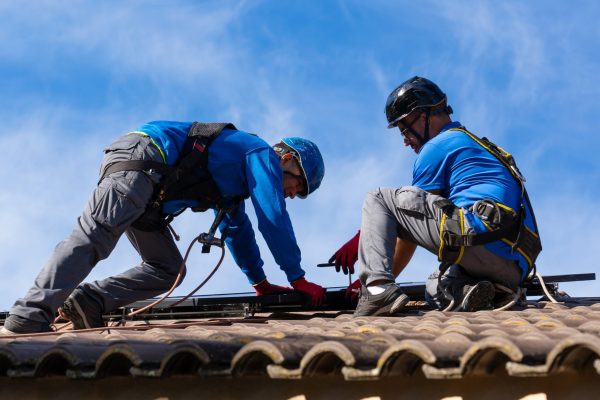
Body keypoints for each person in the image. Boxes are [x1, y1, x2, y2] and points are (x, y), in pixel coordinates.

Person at [2, 121, 326, 334]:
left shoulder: (233, 187)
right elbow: (272, 215)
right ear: (286, 159)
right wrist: (297, 277)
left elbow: (239, 230)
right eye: (298, 186)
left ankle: (90, 302)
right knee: (96, 235)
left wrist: (261, 283)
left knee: (168, 269)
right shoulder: (261, 154)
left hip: (151, 197)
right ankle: (28, 315)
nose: (293, 194)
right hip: (143, 162)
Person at [330, 76, 541, 316]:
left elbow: (407, 230)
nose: (405, 141)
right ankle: (485, 294)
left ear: (422, 115)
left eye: (404, 129)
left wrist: (368, 281)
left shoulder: (438, 146)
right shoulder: (472, 144)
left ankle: (377, 292)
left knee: (378, 198)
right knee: (435, 287)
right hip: (515, 266)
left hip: (481, 238)